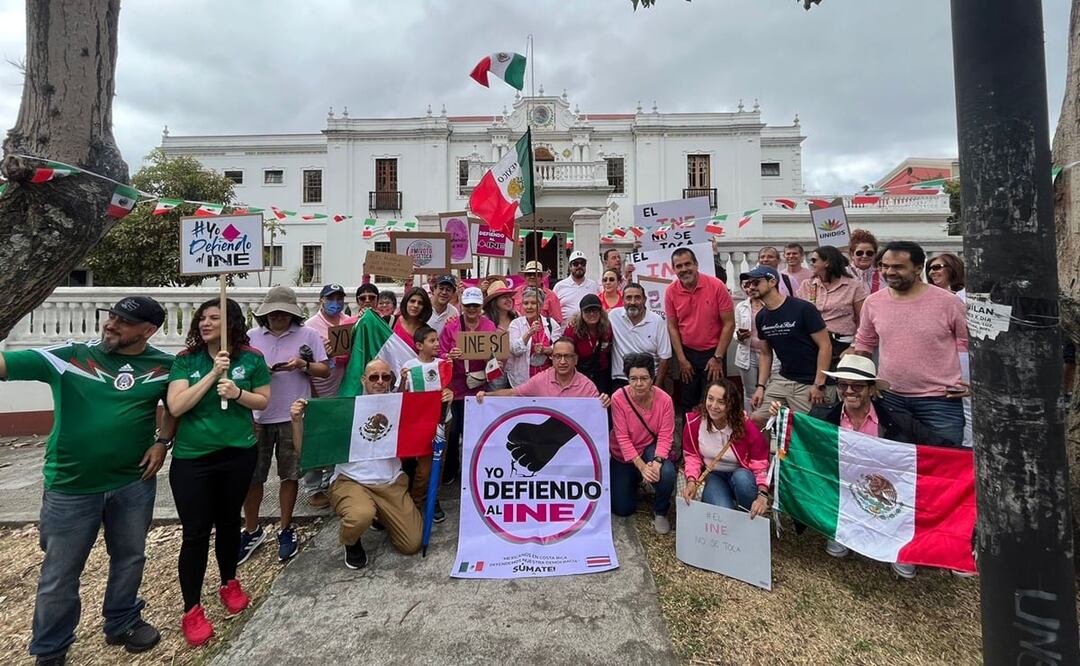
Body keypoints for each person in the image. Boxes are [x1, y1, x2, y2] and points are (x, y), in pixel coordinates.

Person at [2, 297, 173, 664]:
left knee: (129, 558)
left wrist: (162, 441)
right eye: (111, 317)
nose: (111, 324)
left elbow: (175, 405)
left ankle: (122, 620)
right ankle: (50, 650)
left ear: (148, 330)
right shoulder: (68, 355)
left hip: (133, 483)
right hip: (71, 487)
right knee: (60, 574)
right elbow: (5, 364)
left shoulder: (163, 366)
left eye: (124, 321)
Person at [768, 355, 954, 578]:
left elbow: (939, 447)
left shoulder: (898, 420)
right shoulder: (825, 418)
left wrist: (969, 457)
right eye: (843, 385)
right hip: (843, 492)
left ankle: (900, 547)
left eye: (857, 386)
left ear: (872, 389)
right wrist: (782, 418)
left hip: (888, 492)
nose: (848, 391)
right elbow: (801, 439)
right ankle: (839, 531)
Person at [166, 298, 271, 647]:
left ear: (232, 324)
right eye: (203, 318)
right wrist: (213, 374)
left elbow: (263, 401)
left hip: (238, 455)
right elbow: (177, 405)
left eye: (215, 318)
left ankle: (229, 581)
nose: (206, 323)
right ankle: (192, 608)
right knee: (195, 533)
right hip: (193, 460)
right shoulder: (186, 361)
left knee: (229, 523)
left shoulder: (252, 359)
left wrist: (237, 392)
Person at [290, 360, 424, 570]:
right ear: (363, 379)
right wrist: (296, 421)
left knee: (412, 543)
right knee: (360, 515)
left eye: (385, 377)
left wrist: (445, 402)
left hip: (390, 483)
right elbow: (304, 451)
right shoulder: (344, 408)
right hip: (353, 482)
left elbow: (427, 421)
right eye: (373, 377)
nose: (380, 382)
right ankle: (351, 542)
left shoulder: (399, 404)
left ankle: (381, 515)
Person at [240, 287, 330, 566]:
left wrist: (302, 365)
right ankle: (252, 528)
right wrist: (259, 371)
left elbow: (324, 370)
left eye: (283, 312)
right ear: (265, 314)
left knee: (290, 475)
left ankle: (285, 527)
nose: (278, 317)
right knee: (253, 477)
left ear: (292, 314)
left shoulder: (309, 336)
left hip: (294, 414)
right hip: (257, 416)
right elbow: (239, 371)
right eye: (273, 312)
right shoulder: (251, 338)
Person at [852, 241, 967, 446]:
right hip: (889, 399)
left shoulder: (948, 302)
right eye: (884, 266)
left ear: (918, 268)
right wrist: (865, 382)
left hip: (940, 401)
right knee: (897, 467)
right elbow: (864, 343)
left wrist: (974, 383)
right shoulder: (873, 302)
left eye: (898, 267)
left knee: (946, 466)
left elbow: (970, 344)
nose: (889, 272)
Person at [745, 265, 832, 428]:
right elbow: (765, 354)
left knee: (811, 429)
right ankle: (765, 454)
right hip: (783, 378)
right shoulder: (762, 316)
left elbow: (825, 346)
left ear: (772, 282)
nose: (751, 287)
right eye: (749, 284)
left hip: (809, 381)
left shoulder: (803, 308)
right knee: (756, 419)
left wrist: (819, 384)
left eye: (756, 283)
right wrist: (760, 386)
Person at [606, 354, 677, 534]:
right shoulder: (618, 399)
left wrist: (657, 462)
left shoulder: (665, 400)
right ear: (627, 378)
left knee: (667, 472)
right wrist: (643, 467)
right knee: (623, 508)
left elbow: (665, 435)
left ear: (652, 377)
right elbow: (622, 438)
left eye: (644, 378)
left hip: (648, 447)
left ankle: (661, 510)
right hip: (623, 455)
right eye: (633, 379)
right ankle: (637, 478)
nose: (638, 384)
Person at [681, 379, 769, 517]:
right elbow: (692, 456)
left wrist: (762, 494)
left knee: (743, 479)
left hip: (741, 473)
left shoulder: (745, 426)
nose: (714, 406)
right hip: (713, 474)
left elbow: (760, 464)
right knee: (724, 514)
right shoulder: (694, 423)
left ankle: (749, 517)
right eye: (710, 399)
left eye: (721, 402)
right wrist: (692, 480)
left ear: (731, 404)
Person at [664, 247, 735, 413]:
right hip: (687, 354)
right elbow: (672, 327)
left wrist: (717, 357)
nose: (684, 269)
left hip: (714, 353)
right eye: (679, 266)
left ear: (696, 264)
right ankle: (690, 438)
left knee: (715, 402)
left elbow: (729, 324)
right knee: (688, 403)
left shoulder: (717, 286)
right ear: (674, 269)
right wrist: (682, 360)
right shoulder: (671, 291)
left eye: (687, 264)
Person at [439, 287, 497, 485]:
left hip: (479, 385)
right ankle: (451, 469)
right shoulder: (452, 326)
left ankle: (475, 469)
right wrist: (449, 355)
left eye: (475, 305)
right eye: (468, 305)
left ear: (481, 306)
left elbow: (497, 354)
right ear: (462, 306)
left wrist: (491, 356)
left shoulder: (489, 326)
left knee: (476, 430)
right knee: (454, 431)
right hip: (456, 385)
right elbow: (440, 353)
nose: (471, 309)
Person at [398, 326, 454, 524]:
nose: (437, 344)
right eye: (432, 341)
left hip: (443, 421)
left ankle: (433, 498)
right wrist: (404, 380)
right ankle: (415, 501)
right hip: (421, 424)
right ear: (419, 345)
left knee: (440, 462)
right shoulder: (409, 366)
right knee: (424, 468)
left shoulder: (443, 364)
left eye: (437, 340)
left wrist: (450, 395)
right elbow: (401, 396)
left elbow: (449, 388)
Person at [795, 246, 867, 375]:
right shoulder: (807, 285)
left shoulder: (853, 285)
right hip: (812, 344)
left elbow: (862, 320)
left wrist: (854, 347)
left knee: (840, 386)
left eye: (814, 260)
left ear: (827, 262)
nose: (811, 264)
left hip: (842, 346)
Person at [476, 337, 611, 404]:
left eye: (567, 356)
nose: (562, 361)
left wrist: (603, 402)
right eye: (558, 356)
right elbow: (513, 393)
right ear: (551, 358)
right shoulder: (541, 379)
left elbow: (596, 414)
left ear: (575, 359)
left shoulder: (587, 387)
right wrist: (487, 396)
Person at [926, 252, 971, 447]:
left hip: (962, 354)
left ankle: (969, 447)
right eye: (930, 268)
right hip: (936, 354)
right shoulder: (929, 296)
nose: (932, 272)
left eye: (937, 267)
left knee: (965, 401)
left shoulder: (965, 296)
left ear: (953, 268)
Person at [609, 282, 671, 394]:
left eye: (637, 298)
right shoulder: (613, 316)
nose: (632, 302)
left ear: (644, 300)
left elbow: (665, 358)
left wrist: (656, 388)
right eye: (628, 298)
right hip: (621, 380)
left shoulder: (657, 321)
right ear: (622, 299)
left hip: (648, 380)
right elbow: (593, 318)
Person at [734, 278, 778, 413]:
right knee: (749, 393)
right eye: (745, 285)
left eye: (753, 284)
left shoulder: (772, 306)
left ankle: (767, 424)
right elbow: (736, 330)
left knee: (770, 391)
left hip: (770, 354)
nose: (749, 288)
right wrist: (739, 336)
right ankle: (750, 424)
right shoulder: (741, 306)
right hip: (748, 353)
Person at [506, 287, 563, 387]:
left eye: (533, 303)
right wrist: (529, 333)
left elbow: (560, 348)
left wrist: (545, 350)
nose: (529, 307)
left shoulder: (551, 324)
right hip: (522, 379)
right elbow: (514, 349)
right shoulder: (516, 324)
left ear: (541, 306)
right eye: (526, 303)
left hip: (547, 379)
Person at [564, 294, 614, 396]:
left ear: (601, 312)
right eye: (587, 311)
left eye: (595, 310)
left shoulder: (607, 327)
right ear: (581, 313)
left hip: (601, 372)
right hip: (580, 373)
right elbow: (567, 351)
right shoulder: (573, 329)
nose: (592, 314)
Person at [553, 250, 601, 321]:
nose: (579, 266)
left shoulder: (594, 285)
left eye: (583, 263)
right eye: (576, 264)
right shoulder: (559, 286)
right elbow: (553, 310)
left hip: (588, 329)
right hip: (565, 329)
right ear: (570, 266)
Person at [849, 229, 884, 295]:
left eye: (869, 253)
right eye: (859, 253)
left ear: (875, 254)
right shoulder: (842, 275)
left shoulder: (884, 276)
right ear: (852, 255)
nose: (864, 256)